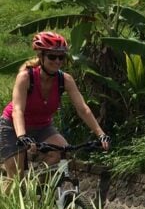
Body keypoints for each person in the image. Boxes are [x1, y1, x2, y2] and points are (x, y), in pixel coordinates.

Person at [0, 31, 110, 183]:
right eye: (52, 56)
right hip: (13, 127)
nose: (57, 61)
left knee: (63, 152)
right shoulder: (26, 77)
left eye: (61, 57)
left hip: (42, 127)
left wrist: (100, 134)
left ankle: (38, 187)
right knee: (16, 179)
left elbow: (83, 109)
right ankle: (9, 203)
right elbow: (18, 110)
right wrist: (22, 136)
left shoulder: (65, 79)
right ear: (41, 56)